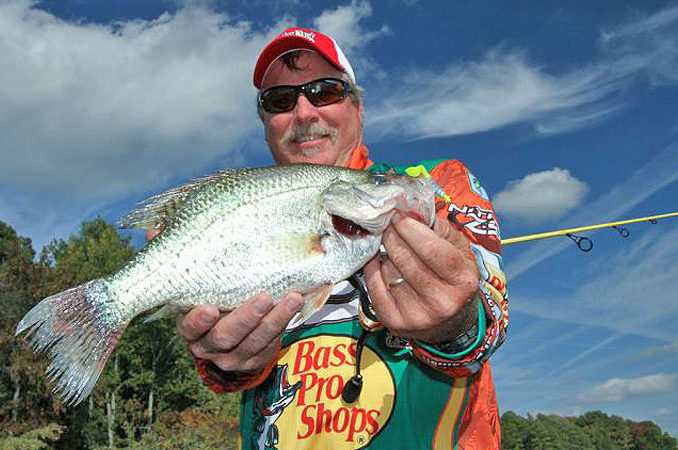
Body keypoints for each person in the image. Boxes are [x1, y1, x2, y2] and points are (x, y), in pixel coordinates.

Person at [173, 28, 509, 449]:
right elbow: (227, 374)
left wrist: (455, 325)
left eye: (325, 91)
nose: (304, 112)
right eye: (279, 100)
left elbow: (489, 324)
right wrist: (229, 360)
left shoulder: (432, 185)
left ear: (358, 107)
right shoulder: (239, 216)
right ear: (265, 126)